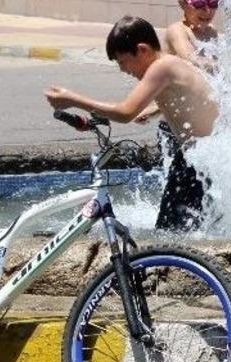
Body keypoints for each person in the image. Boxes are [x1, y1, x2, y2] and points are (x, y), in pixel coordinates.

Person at [45, 16, 219, 232]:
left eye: (122, 61)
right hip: (205, 159)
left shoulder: (161, 67)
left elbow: (125, 112)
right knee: (178, 234)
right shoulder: (171, 64)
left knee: (170, 238)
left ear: (142, 50)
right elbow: (191, 99)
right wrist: (154, 110)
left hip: (196, 163)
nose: (123, 69)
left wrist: (72, 99)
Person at [163, 0, 222, 65]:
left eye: (213, 3)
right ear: (183, 4)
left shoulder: (212, 32)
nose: (207, 10)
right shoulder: (177, 30)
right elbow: (191, 59)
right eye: (199, 3)